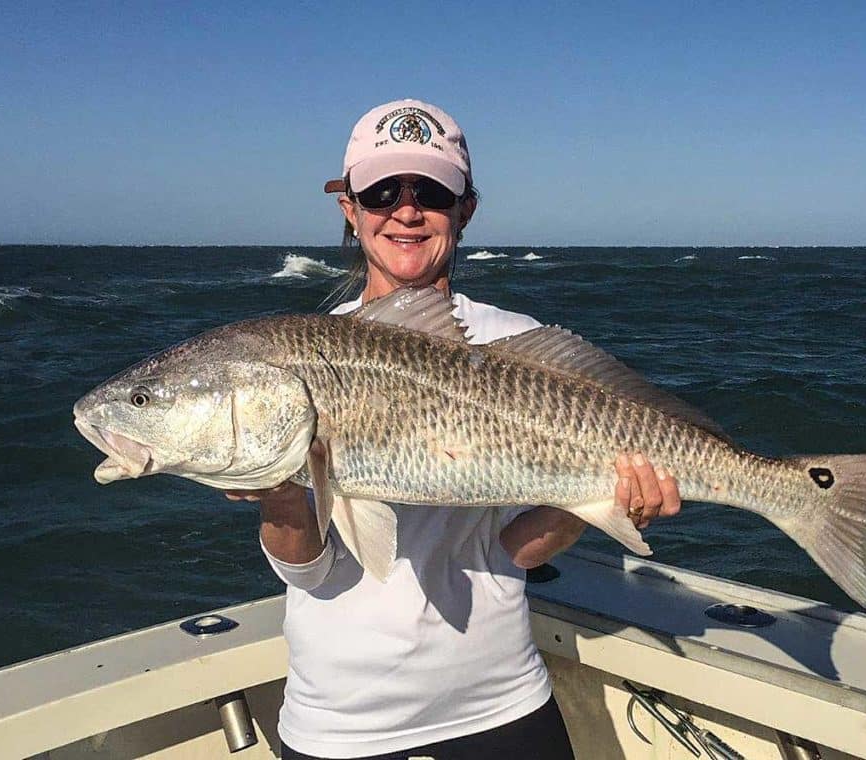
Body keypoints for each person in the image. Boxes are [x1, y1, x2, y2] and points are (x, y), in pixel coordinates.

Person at [226, 99, 681, 760]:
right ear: (349, 208)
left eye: (431, 191)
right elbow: (307, 569)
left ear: (466, 209)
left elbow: (514, 554)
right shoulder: (301, 359)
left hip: (502, 704)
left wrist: (598, 500)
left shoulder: (519, 344)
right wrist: (279, 493)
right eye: (381, 191)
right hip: (338, 724)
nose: (405, 211)